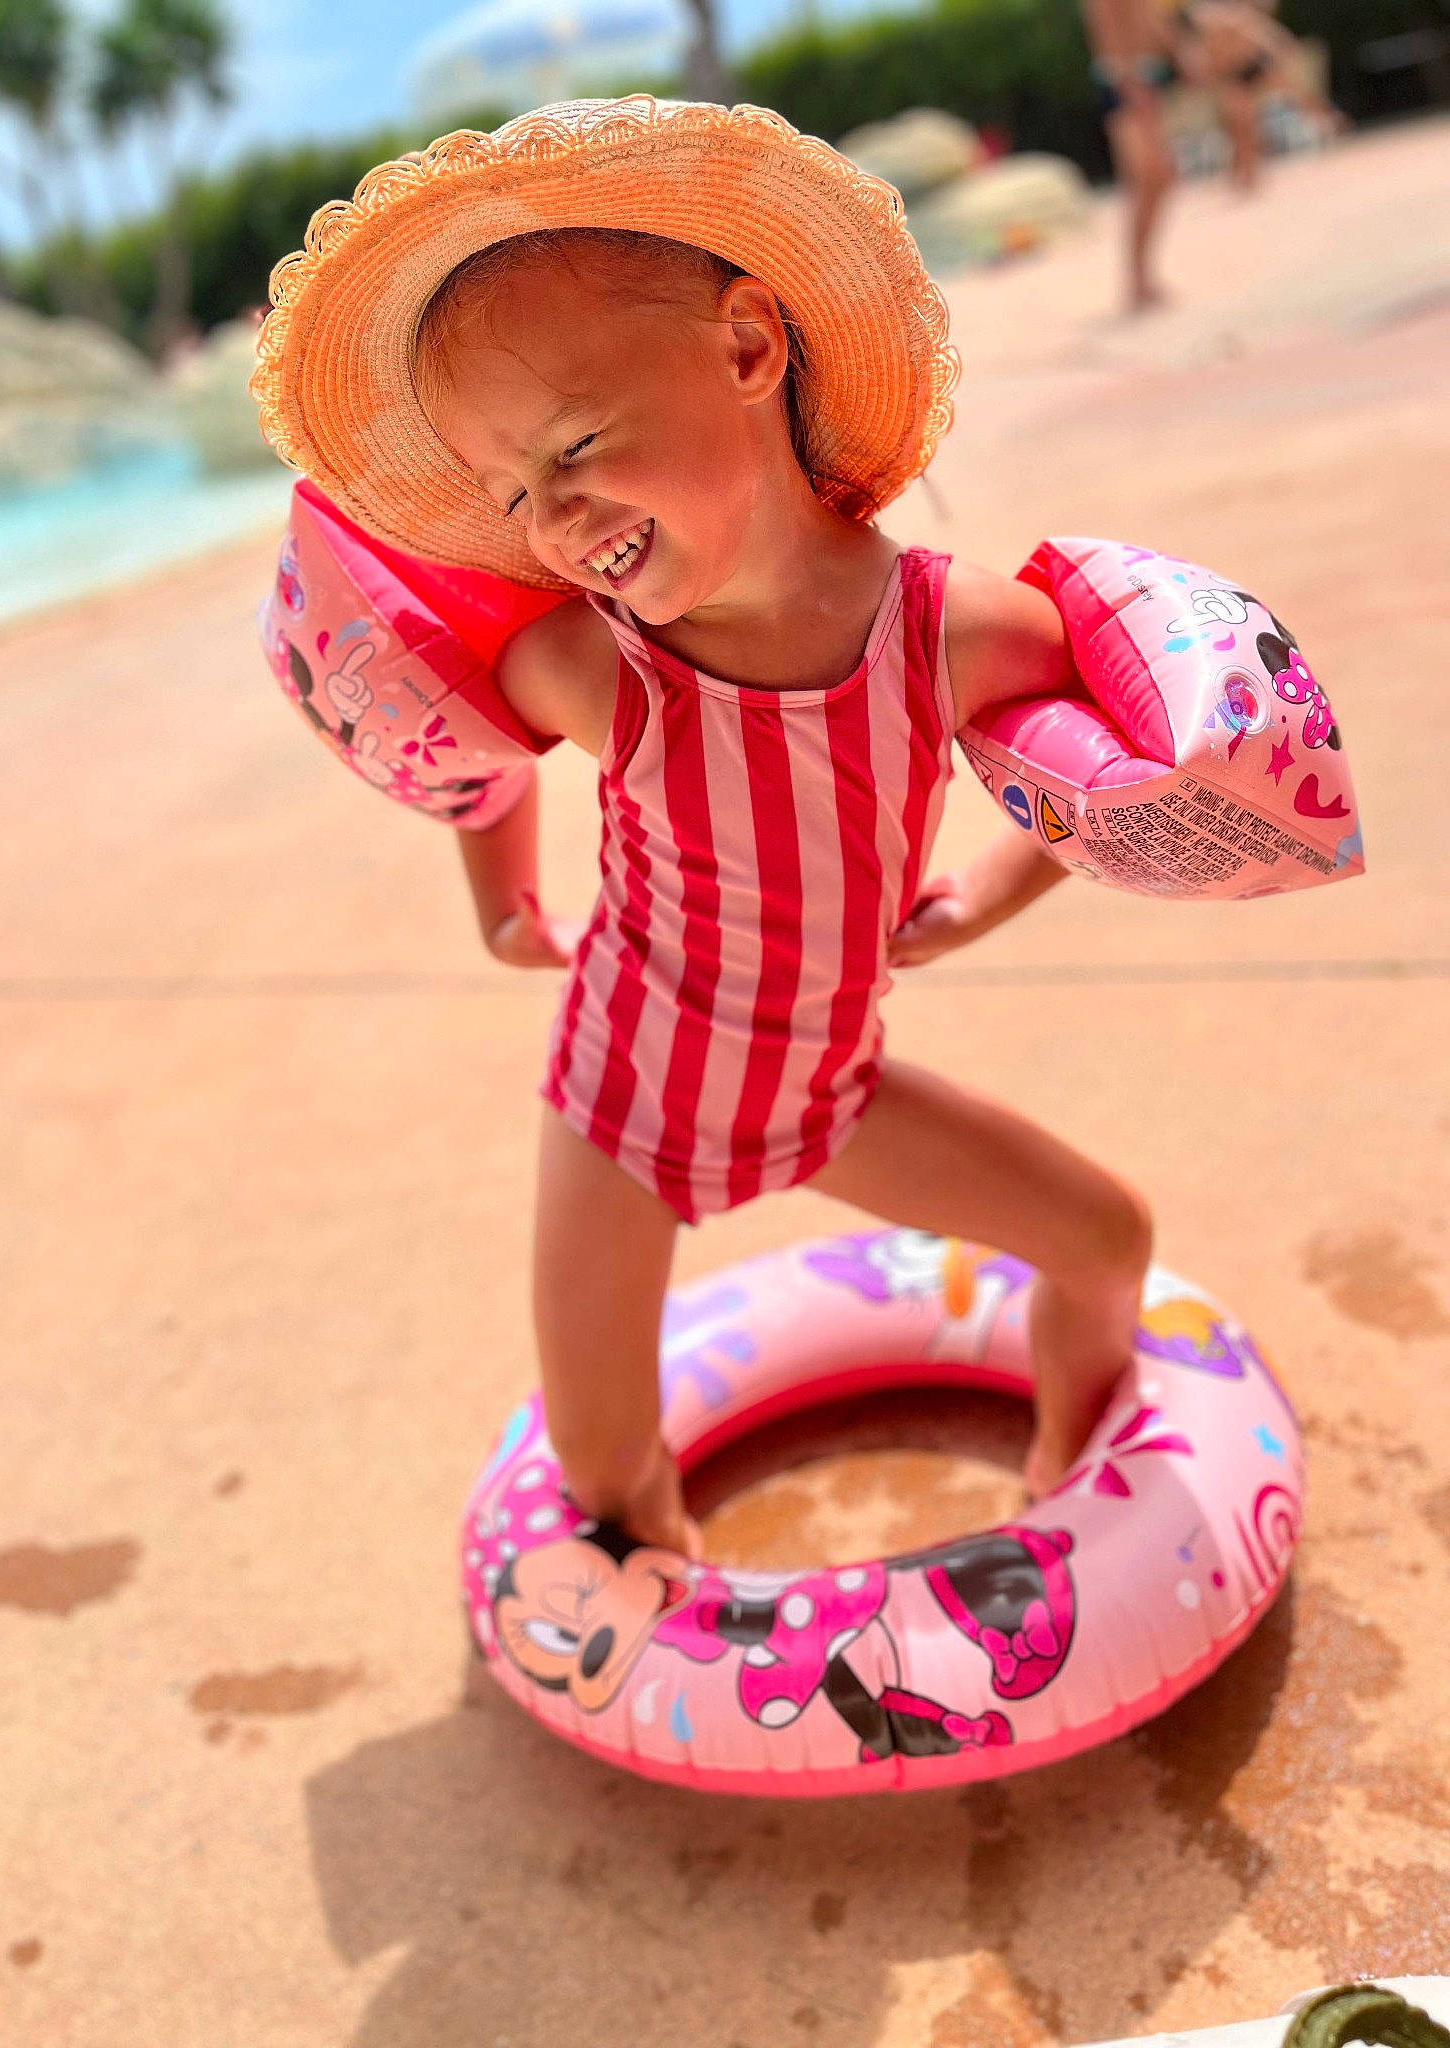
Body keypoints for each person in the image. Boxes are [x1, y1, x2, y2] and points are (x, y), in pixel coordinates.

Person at [253, 100, 1154, 1561]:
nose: (554, 517)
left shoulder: (953, 631)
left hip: (829, 1088)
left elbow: (1119, 768)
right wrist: (499, 897)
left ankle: (1075, 1490)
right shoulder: (604, 665)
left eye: (581, 441)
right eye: (510, 491)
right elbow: (476, 746)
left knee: (1105, 1242)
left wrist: (988, 890)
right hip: (621, 1104)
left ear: (748, 347)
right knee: (606, 1476)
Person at [1164, 0, 1346, 192]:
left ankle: (1321, 115)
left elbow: (1275, 41)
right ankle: (1244, 175)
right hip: (1236, 74)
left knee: (1280, 101)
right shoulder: (1215, 22)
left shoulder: (1238, 20)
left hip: (1254, 65)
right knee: (1241, 126)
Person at [1080, 0, 1181, 310]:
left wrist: (1181, 54)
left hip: (1144, 77)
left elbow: (1154, 24)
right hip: (1124, 81)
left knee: (1157, 180)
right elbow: (1103, 28)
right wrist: (1129, 82)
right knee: (1149, 178)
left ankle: (1141, 275)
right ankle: (1137, 277)